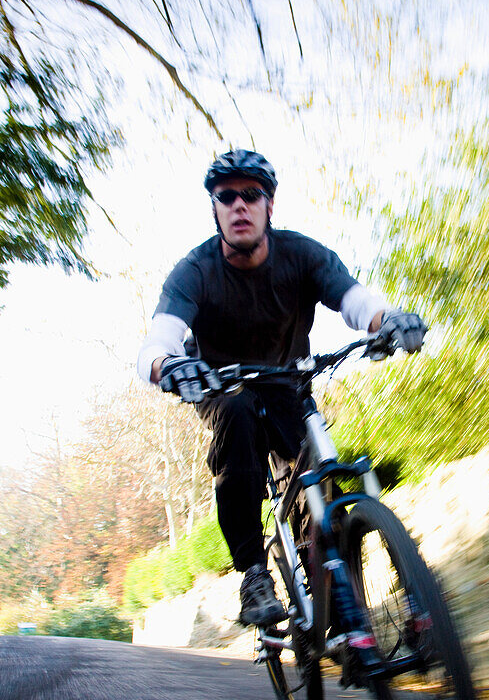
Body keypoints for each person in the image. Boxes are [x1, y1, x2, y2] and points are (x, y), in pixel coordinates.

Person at [137, 149, 427, 627]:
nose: (239, 206)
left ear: (270, 205)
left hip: (288, 381)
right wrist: (167, 365)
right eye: (225, 197)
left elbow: (354, 299)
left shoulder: (301, 254)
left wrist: (389, 319)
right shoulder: (195, 270)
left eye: (251, 194)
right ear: (214, 209)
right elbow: (160, 337)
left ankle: (334, 577)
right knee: (236, 414)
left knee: (320, 460)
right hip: (220, 385)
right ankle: (253, 574)